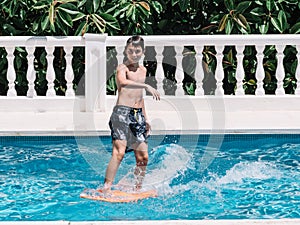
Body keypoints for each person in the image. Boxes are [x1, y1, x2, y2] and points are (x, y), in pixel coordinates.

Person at [103, 35, 160, 192]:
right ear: (126, 51)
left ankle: (137, 188)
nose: (134, 54)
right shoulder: (123, 68)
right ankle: (106, 187)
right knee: (119, 153)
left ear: (143, 52)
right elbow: (122, 82)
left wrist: (145, 118)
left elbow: (139, 97)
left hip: (137, 115)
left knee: (143, 157)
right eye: (130, 51)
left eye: (137, 51)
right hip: (121, 114)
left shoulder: (143, 70)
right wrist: (146, 86)